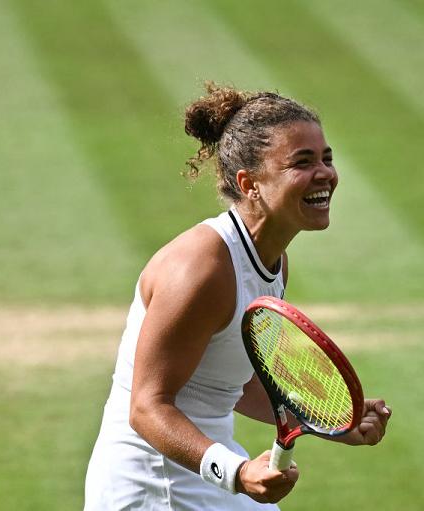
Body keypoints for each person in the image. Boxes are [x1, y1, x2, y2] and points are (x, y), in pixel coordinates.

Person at [83, 83, 391, 510]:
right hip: (155, 484)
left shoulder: (274, 260)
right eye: (302, 162)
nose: (324, 173)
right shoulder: (201, 269)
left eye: (326, 158)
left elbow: (231, 378)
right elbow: (147, 407)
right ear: (250, 184)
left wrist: (333, 423)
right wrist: (238, 472)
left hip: (205, 464)